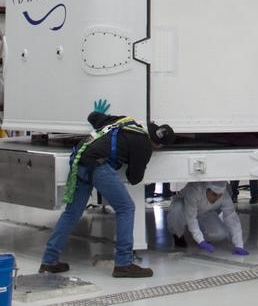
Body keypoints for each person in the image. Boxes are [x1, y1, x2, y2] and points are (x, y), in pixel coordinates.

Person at [39, 100, 175, 278]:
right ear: (159, 145)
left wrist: (97, 113)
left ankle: (49, 261)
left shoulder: (125, 121)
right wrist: (140, 159)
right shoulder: (144, 145)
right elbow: (135, 178)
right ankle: (124, 263)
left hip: (79, 158)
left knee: (72, 213)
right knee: (126, 208)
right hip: (98, 166)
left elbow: (93, 117)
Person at [167, 181, 248, 255]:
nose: (216, 198)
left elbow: (231, 217)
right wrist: (200, 240)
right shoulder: (194, 190)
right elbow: (191, 217)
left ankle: (200, 234)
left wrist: (239, 245)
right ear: (207, 189)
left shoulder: (224, 195)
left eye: (219, 196)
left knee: (221, 234)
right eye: (214, 194)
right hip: (184, 206)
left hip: (204, 211)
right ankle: (177, 234)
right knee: (176, 211)